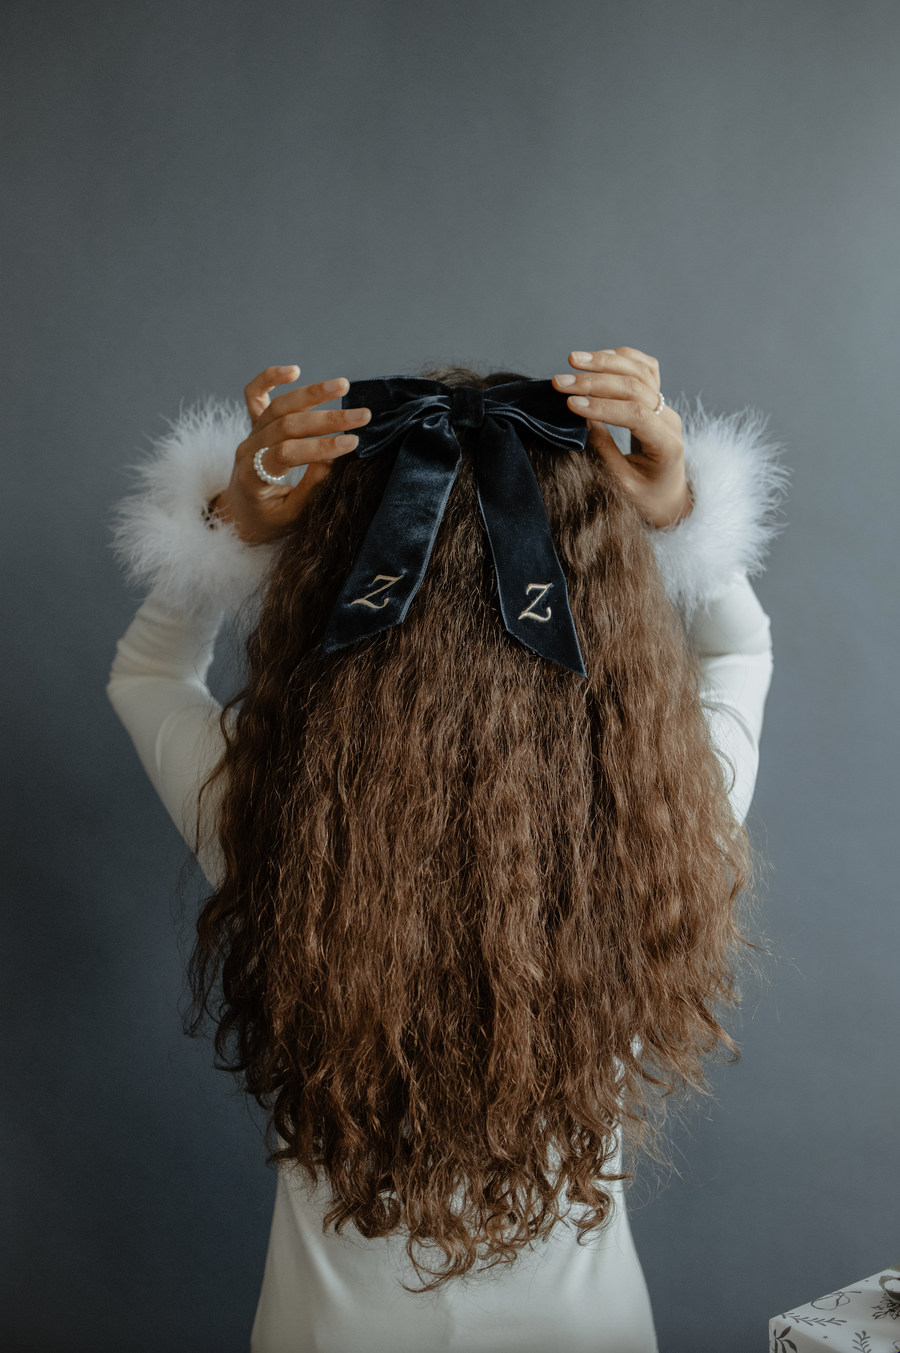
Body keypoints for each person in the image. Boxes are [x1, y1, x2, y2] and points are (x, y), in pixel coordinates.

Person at [108, 347, 783, 1352]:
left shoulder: (278, 827)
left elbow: (146, 674)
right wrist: (676, 504)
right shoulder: (665, 826)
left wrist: (233, 524)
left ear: (331, 589)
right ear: (611, 603)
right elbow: (738, 648)